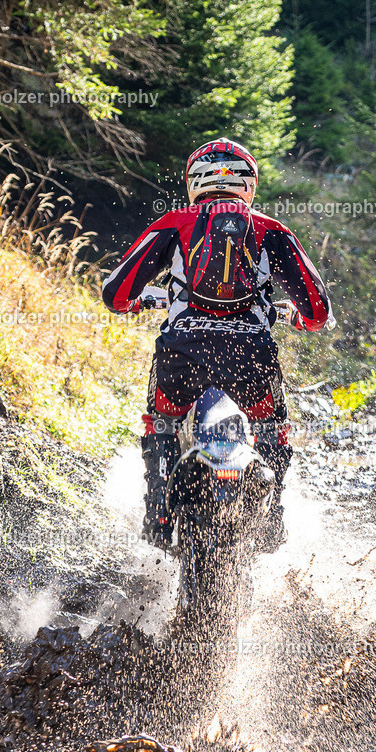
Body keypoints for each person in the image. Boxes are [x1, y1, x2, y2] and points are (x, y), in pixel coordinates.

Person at [102, 137, 331, 551]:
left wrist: (137, 301)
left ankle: (158, 513)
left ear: (194, 182)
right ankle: (272, 515)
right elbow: (317, 311)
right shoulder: (271, 229)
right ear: (250, 184)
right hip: (250, 360)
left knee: (163, 420)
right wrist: (295, 317)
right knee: (271, 426)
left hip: (182, 355)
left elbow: (115, 293)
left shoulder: (174, 223)